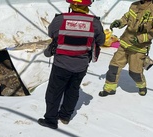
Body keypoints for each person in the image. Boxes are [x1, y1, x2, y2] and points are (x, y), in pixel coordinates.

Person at [38, 0, 105, 129]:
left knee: (54, 92)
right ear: (87, 6)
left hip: (61, 64)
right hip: (81, 65)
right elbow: (101, 40)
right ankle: (65, 116)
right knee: (72, 90)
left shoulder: (60, 19)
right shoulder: (94, 22)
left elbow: (51, 33)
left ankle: (51, 120)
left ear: (72, 5)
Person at [99, 0, 153, 97]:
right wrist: (120, 22)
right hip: (125, 43)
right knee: (114, 67)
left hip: (139, 48)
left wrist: (140, 38)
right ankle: (110, 88)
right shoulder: (134, 5)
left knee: (135, 72)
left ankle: (142, 85)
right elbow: (127, 17)